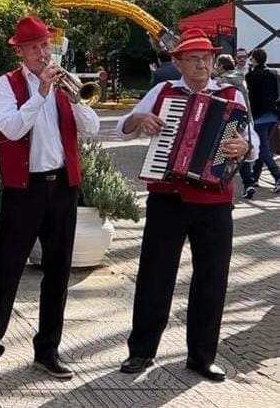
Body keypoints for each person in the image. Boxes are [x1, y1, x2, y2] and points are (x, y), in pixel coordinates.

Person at [116, 28, 258, 382]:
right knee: (155, 275)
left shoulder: (230, 96)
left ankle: (201, 356)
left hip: (215, 202)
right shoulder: (163, 91)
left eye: (206, 58)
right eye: (193, 59)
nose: (201, 65)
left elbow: (251, 141)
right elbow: (123, 126)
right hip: (168, 197)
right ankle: (141, 351)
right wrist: (140, 120)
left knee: (212, 278)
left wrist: (244, 147)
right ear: (178, 63)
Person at [0, 16, 99, 381]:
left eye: (45, 45)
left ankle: (48, 350)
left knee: (58, 271)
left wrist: (76, 101)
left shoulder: (64, 83)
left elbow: (92, 128)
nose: (43, 53)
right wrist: (40, 94)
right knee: (6, 269)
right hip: (25, 189)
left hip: (63, 187)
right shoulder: (7, 84)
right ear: (21, 52)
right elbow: (11, 129)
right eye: (34, 48)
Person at [214, 54, 256, 198]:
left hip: (230, 119)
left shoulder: (223, 81)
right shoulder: (240, 77)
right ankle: (249, 182)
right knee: (239, 150)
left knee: (227, 151)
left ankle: (221, 181)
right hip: (245, 118)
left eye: (217, 65)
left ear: (221, 66)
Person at [245, 48, 280, 194]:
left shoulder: (250, 76)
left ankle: (277, 175)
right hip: (273, 114)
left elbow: (250, 97)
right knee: (262, 145)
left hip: (258, 115)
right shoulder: (274, 73)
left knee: (262, 148)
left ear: (254, 60)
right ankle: (255, 176)